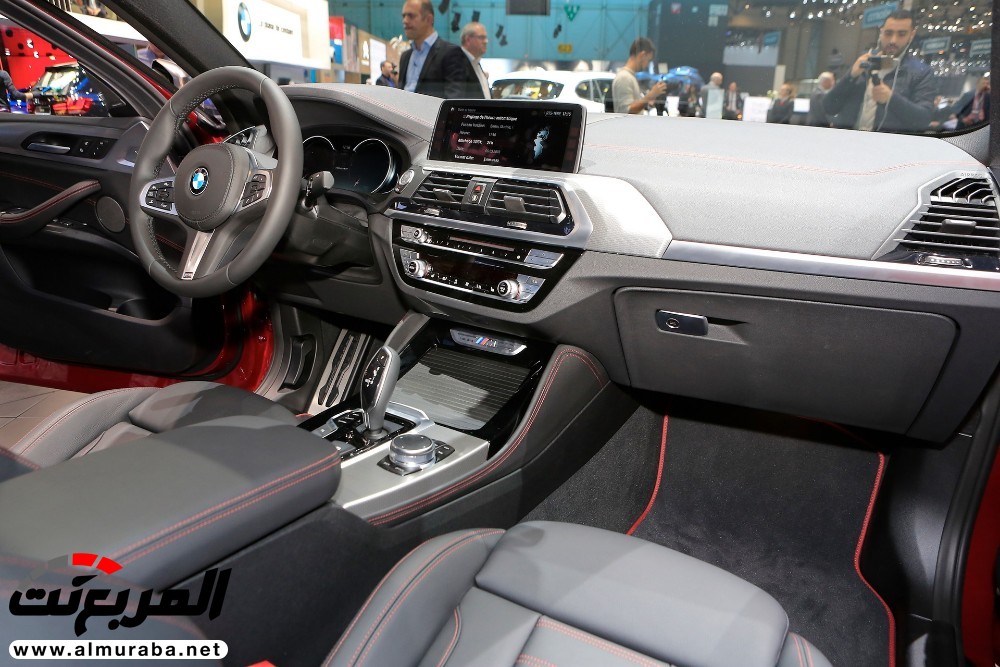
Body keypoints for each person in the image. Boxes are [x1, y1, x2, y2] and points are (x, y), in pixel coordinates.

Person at [822, 10, 935, 132]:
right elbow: (829, 107)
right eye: (888, 33)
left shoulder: (921, 73)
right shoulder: (863, 65)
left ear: (911, 35)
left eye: (901, 34)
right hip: (849, 141)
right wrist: (851, 76)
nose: (893, 40)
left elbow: (923, 120)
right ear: (881, 32)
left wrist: (891, 99)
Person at [398, 0, 473, 99]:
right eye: (403, 16)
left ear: (429, 19)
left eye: (411, 16)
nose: (405, 21)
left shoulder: (451, 53)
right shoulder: (405, 57)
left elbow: (453, 101)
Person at [611, 37, 666, 114]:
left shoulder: (629, 77)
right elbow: (626, 111)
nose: (647, 64)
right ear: (642, 55)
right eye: (648, 60)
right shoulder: (624, 77)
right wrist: (650, 95)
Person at [459, 22, 490, 99]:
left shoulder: (476, 62)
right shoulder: (457, 64)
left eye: (486, 38)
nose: (486, 41)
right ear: (468, 40)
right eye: (481, 37)